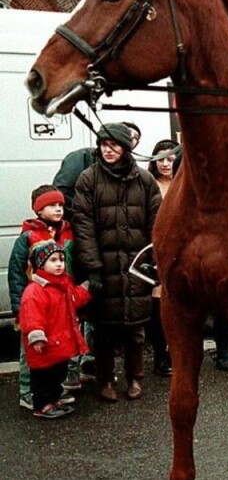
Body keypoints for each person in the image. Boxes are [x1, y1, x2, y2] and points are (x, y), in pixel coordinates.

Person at [73, 123, 162, 402]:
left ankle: (135, 378)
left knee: (136, 328)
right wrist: (94, 268)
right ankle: (105, 380)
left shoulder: (144, 180)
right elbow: (83, 225)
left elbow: (157, 223)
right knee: (104, 331)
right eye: (103, 145)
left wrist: (154, 262)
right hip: (105, 266)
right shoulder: (88, 179)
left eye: (114, 145)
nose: (107, 150)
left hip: (137, 265)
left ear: (126, 148)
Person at [7, 185, 76, 410]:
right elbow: (16, 272)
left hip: (60, 304)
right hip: (33, 304)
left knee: (57, 350)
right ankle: (28, 392)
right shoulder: (28, 236)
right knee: (31, 352)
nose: (58, 209)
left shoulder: (67, 232)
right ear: (38, 210)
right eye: (51, 205)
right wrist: (19, 307)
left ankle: (53, 391)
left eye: (60, 205)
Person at [19, 241, 91, 419]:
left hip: (60, 345)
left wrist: (87, 288)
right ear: (41, 265)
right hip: (45, 346)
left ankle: (54, 399)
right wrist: (36, 336)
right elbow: (31, 316)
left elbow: (74, 298)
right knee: (43, 378)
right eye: (53, 260)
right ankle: (42, 405)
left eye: (61, 260)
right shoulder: (35, 291)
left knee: (58, 374)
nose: (59, 264)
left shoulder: (63, 286)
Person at [146, 140, 179, 376]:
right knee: (159, 304)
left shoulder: (185, 183)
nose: (165, 164)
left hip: (184, 250)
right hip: (156, 249)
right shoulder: (148, 184)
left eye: (170, 159)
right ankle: (161, 355)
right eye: (160, 159)